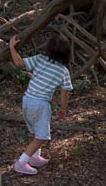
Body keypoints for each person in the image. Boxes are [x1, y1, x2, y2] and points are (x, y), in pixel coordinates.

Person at [9, 34, 73, 175]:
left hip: (27, 100)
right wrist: (63, 108)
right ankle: (21, 163)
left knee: (37, 131)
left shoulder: (39, 59)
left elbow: (19, 64)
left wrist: (11, 47)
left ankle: (34, 157)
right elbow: (64, 93)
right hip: (41, 104)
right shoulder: (63, 71)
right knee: (42, 136)